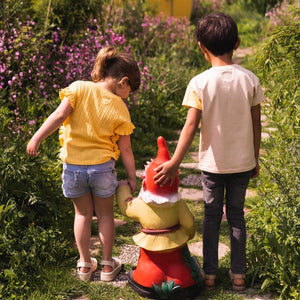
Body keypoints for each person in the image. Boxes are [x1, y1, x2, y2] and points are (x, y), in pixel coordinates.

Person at [154, 12, 264, 291]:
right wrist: (255, 157)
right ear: (237, 42)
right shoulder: (250, 79)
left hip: (212, 166)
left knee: (212, 217)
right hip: (242, 163)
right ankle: (239, 276)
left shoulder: (200, 82)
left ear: (202, 47)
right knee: (237, 216)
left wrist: (175, 162)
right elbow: (256, 123)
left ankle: (211, 275)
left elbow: (190, 126)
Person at [27, 46, 141, 281]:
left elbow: (58, 116)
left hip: (74, 168)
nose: (129, 94)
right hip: (102, 169)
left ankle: (84, 265)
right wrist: (132, 176)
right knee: (106, 215)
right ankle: (108, 266)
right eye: (131, 89)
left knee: (82, 214)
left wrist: (36, 137)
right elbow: (126, 149)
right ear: (123, 82)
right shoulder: (120, 107)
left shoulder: (78, 88)